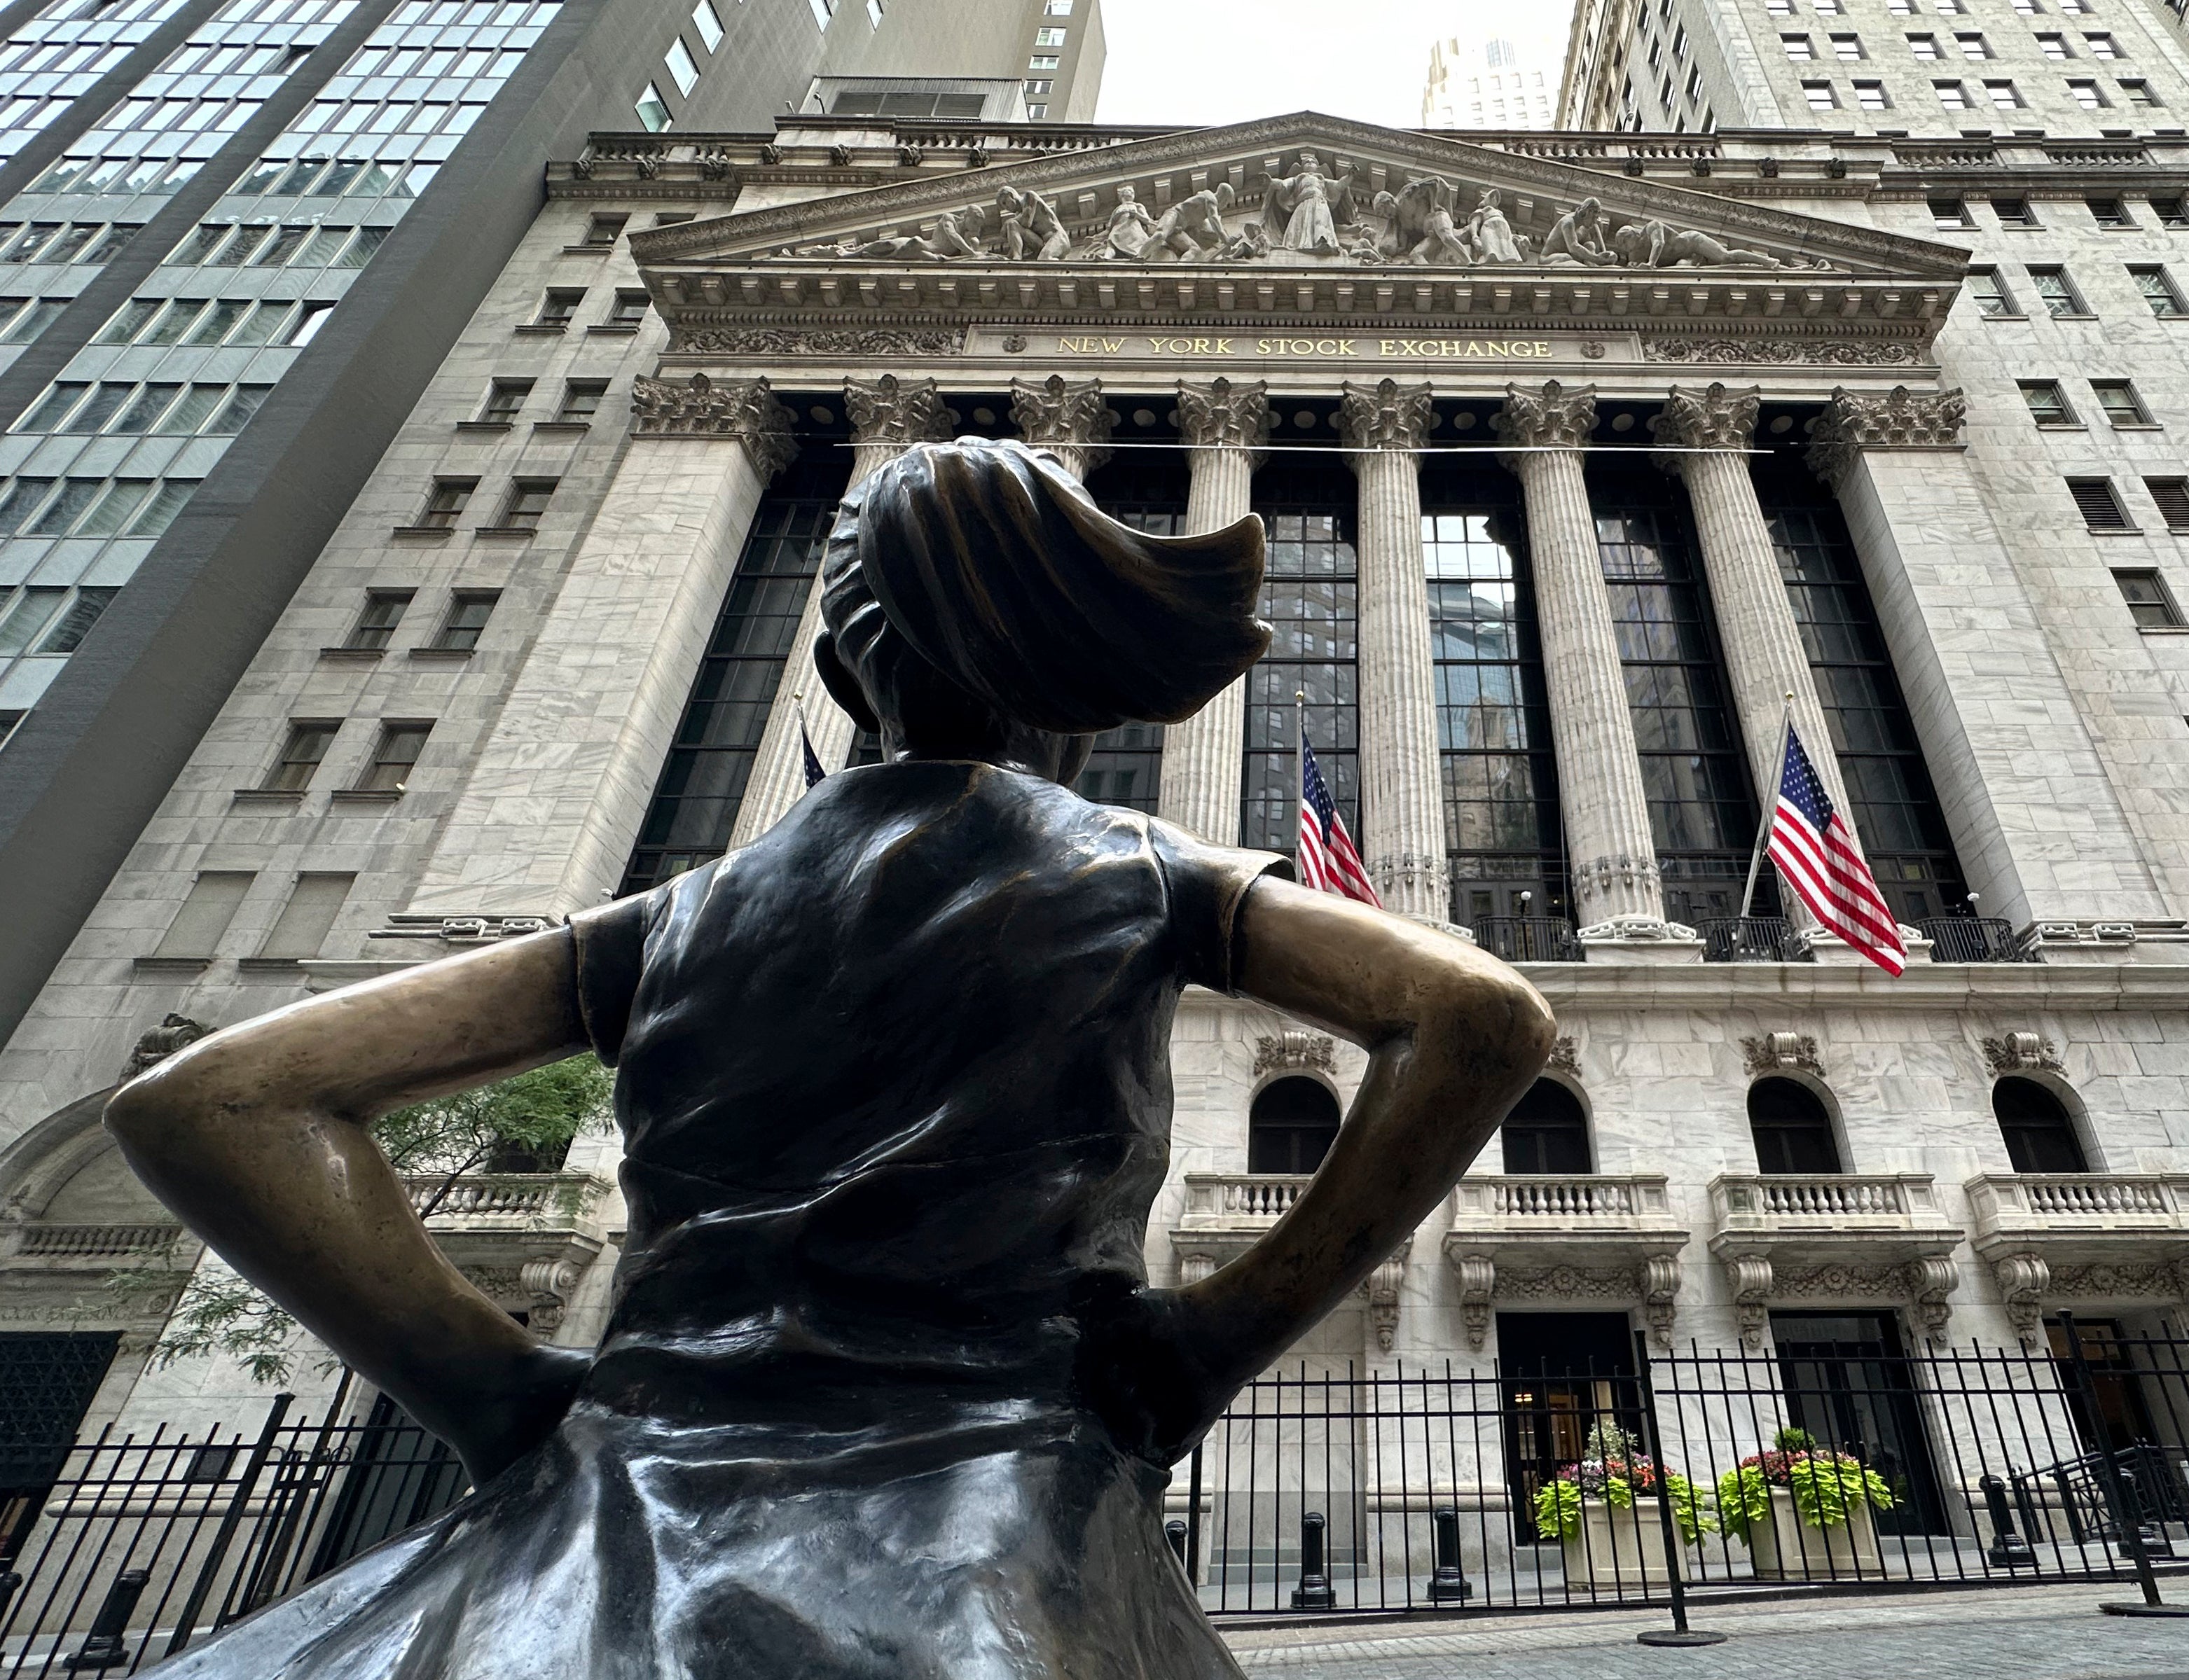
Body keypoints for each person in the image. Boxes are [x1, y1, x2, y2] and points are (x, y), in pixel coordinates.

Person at [106, 438, 1555, 1680]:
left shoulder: (664, 922)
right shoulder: (1141, 875)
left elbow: (215, 1102)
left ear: (834, 657)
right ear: (1060, 681)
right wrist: (1215, 1341)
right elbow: (1482, 1018)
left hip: (629, 1484)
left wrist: (491, 1390)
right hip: (997, 1489)